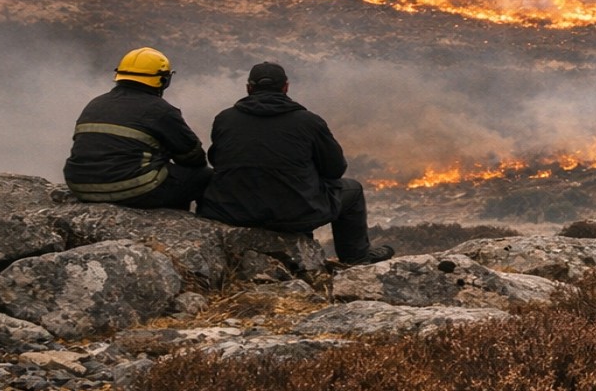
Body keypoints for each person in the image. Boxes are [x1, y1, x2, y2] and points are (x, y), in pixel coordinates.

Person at [196, 61, 393, 264]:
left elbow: (217, 161)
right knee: (353, 190)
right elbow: (335, 170)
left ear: (249, 88)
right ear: (285, 87)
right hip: (294, 216)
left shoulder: (224, 119)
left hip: (232, 212)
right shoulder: (309, 122)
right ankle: (357, 260)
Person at [64, 46, 212, 208]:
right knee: (204, 176)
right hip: (131, 189)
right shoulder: (160, 110)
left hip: (79, 186)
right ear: (164, 80)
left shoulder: (95, 103)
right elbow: (192, 156)